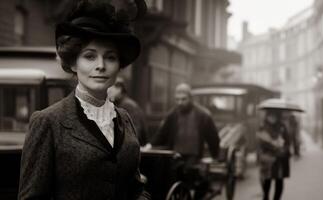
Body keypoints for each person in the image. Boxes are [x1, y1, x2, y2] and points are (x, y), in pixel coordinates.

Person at [18, 1, 151, 199]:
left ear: (119, 66)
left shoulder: (125, 119)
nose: (101, 65)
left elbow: (135, 188)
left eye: (111, 57)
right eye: (89, 56)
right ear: (72, 63)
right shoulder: (48, 122)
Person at [152, 83, 220, 199]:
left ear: (190, 98)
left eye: (183, 99)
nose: (180, 102)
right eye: (177, 99)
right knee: (169, 177)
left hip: (193, 156)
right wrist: (151, 145)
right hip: (175, 154)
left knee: (191, 178)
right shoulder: (172, 114)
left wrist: (214, 155)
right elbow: (162, 133)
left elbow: (213, 137)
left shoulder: (203, 115)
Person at [257, 109, 291, 200]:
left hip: (280, 158)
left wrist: (283, 149)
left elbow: (288, 142)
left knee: (279, 181)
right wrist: (273, 146)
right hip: (268, 158)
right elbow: (261, 142)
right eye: (270, 115)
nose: (272, 117)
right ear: (267, 116)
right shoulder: (263, 127)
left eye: (274, 115)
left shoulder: (282, 127)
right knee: (266, 180)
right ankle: (266, 197)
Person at [108, 77, 148, 146]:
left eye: (110, 88)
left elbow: (134, 132)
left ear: (119, 89)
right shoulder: (121, 104)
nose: (107, 92)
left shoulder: (128, 106)